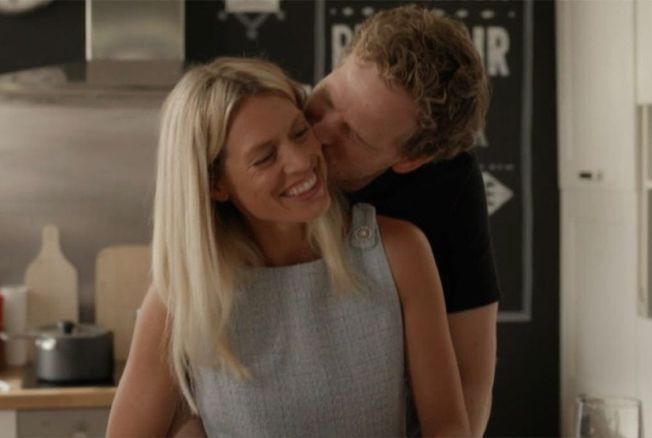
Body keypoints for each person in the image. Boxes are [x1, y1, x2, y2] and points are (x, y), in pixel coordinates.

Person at [106, 57, 470, 437]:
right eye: (265, 157)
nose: (301, 162)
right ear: (215, 185)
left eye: (299, 132)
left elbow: (447, 426)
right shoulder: (182, 298)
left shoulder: (399, 252)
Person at [305, 4, 499, 437]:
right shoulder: (270, 120)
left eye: (354, 135)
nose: (317, 134)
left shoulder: (447, 185)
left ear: (411, 160)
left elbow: (469, 379)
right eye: (328, 100)